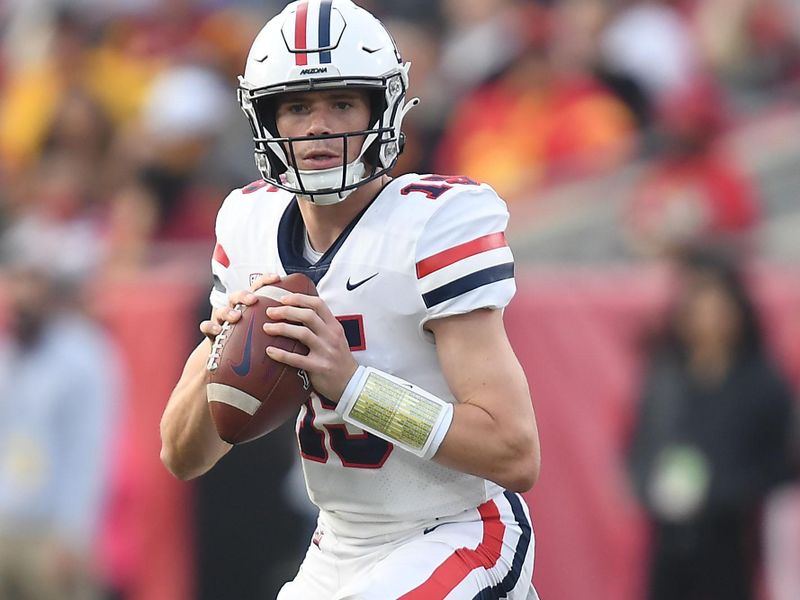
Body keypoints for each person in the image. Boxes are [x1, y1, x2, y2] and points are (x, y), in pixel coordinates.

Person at [159, 1, 541, 598]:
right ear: (267, 119)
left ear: (380, 110)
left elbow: (515, 452)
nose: (317, 127)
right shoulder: (248, 224)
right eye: (298, 106)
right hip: (336, 543)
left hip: (457, 529)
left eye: (341, 103)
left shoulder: (433, 223)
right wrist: (217, 352)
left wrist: (350, 385)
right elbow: (182, 456)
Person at [627, 248, 798, 600]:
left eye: (717, 308)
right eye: (698, 308)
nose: (707, 320)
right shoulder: (666, 377)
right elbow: (639, 446)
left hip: (736, 541)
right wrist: (653, 485)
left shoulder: (762, 382)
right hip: (670, 541)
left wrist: (722, 489)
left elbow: (782, 464)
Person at [0, 224, 120, 600]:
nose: (22, 293)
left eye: (33, 280)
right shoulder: (10, 351)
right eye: (16, 279)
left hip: (52, 535)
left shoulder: (83, 354)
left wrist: (74, 532)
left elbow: (90, 450)